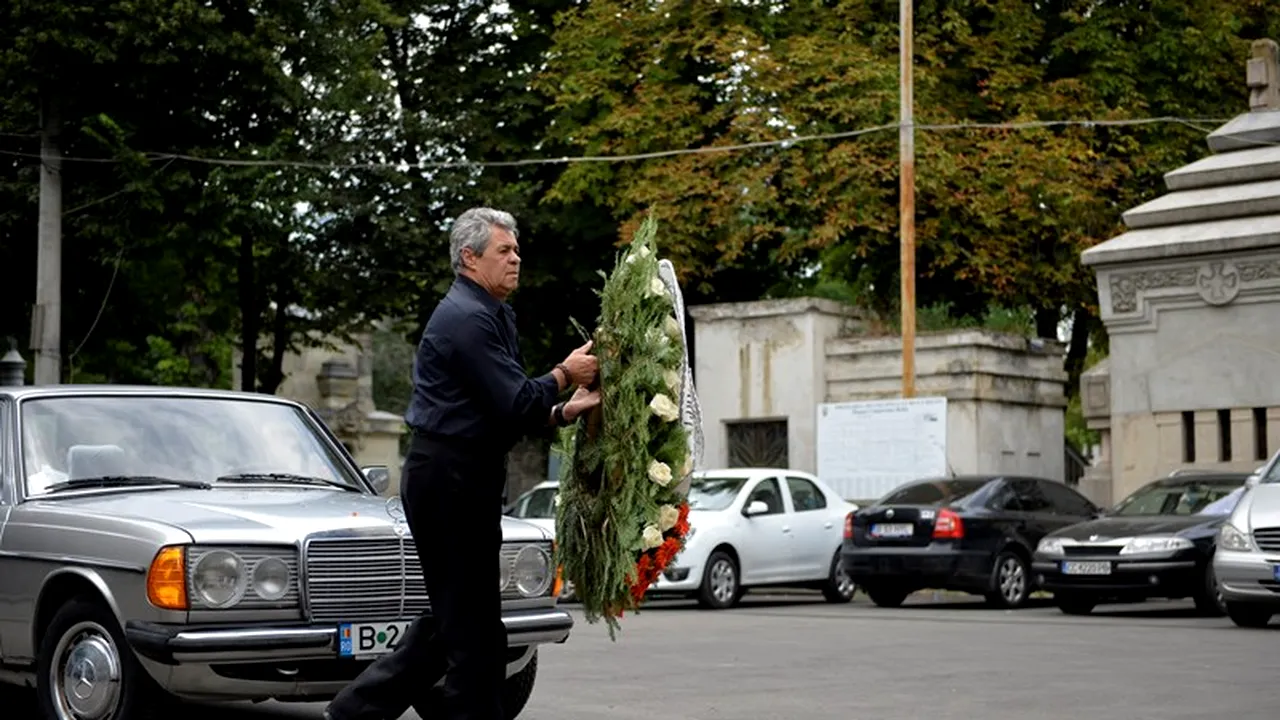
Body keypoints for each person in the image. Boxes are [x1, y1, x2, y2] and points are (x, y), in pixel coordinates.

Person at [325, 207, 601, 720]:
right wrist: (566, 373)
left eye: (517, 249)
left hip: (463, 476)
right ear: (470, 258)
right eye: (505, 250)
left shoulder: (492, 312)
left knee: (457, 621)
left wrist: (563, 409)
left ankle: (352, 712)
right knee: (474, 633)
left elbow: (498, 409)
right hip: (449, 479)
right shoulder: (467, 317)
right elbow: (515, 401)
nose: (517, 258)